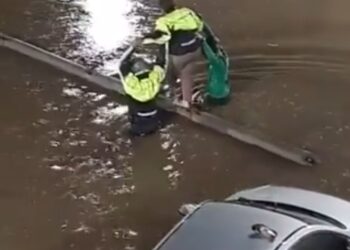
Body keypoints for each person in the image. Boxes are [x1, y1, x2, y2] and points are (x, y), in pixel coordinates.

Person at [143, 0, 207, 110]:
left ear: (162, 9)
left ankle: (175, 95)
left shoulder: (163, 21)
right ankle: (187, 96)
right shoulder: (187, 12)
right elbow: (200, 25)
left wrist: (143, 40)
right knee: (187, 72)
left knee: (170, 68)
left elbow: (162, 37)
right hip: (195, 49)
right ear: (174, 5)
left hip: (179, 54)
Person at [118, 42, 167, 136]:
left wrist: (132, 48)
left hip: (137, 125)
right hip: (154, 121)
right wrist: (163, 44)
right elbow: (161, 62)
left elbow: (121, 65)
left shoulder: (131, 84)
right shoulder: (155, 78)